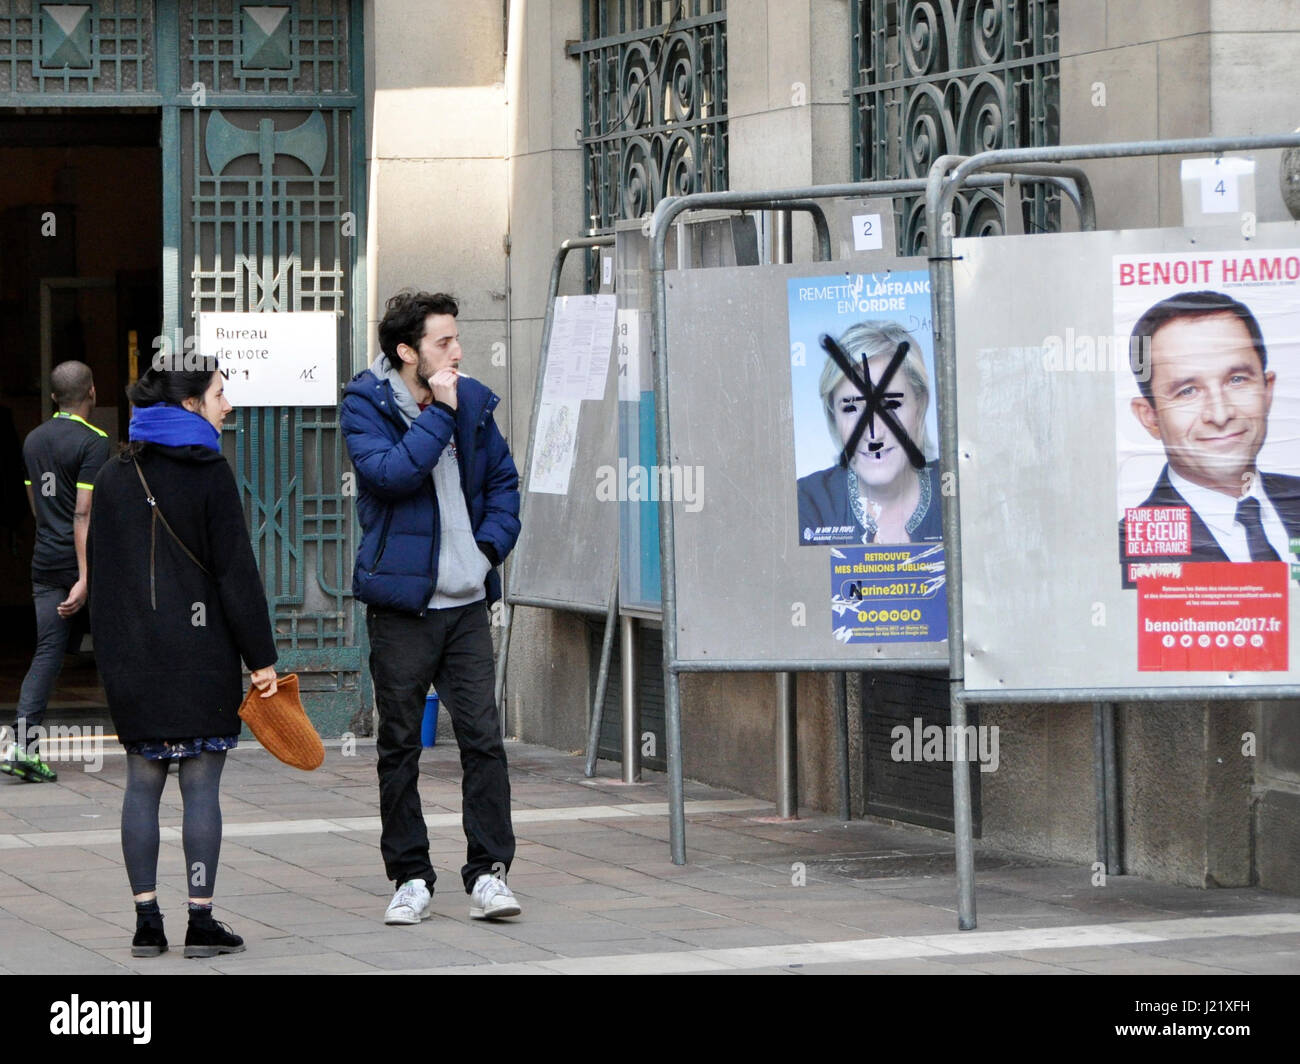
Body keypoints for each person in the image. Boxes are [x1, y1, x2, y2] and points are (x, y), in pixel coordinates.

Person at [340, 290, 522, 925]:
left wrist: (488, 547)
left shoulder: (470, 398)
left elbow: (503, 478)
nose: (457, 351)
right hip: (402, 606)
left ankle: (489, 872)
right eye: (443, 342)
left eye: (456, 337)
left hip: (468, 603)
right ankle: (411, 876)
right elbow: (389, 476)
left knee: (482, 739)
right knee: (399, 744)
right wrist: (439, 416)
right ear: (407, 351)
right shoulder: (366, 402)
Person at [88, 360, 278, 958]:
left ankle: (147, 923)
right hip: (199, 655)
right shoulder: (209, 473)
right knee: (200, 789)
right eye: (221, 395)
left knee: (141, 785)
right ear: (192, 405)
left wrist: (112, 654)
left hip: (134, 658)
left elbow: (104, 577)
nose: (229, 405)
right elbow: (235, 574)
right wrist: (261, 657)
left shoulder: (114, 473)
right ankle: (201, 921)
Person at [1119, 290, 1300, 579]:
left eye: (1237, 380)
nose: (1219, 414)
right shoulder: (1122, 554)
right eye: (1187, 391)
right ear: (1149, 417)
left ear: (1268, 390)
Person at [2, 362, 109, 783]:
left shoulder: (33, 439)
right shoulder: (94, 442)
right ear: (93, 394)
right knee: (120, 649)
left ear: (53, 398)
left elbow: (36, 502)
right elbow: (83, 514)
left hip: (45, 559)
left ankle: (23, 748)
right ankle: (153, 741)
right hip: (85, 564)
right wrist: (85, 578)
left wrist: (50, 533)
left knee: (47, 651)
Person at [797, 321, 942, 546]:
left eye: (891, 405)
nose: (874, 435)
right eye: (852, 408)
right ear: (833, 416)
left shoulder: (957, 490)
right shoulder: (807, 502)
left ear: (920, 405)